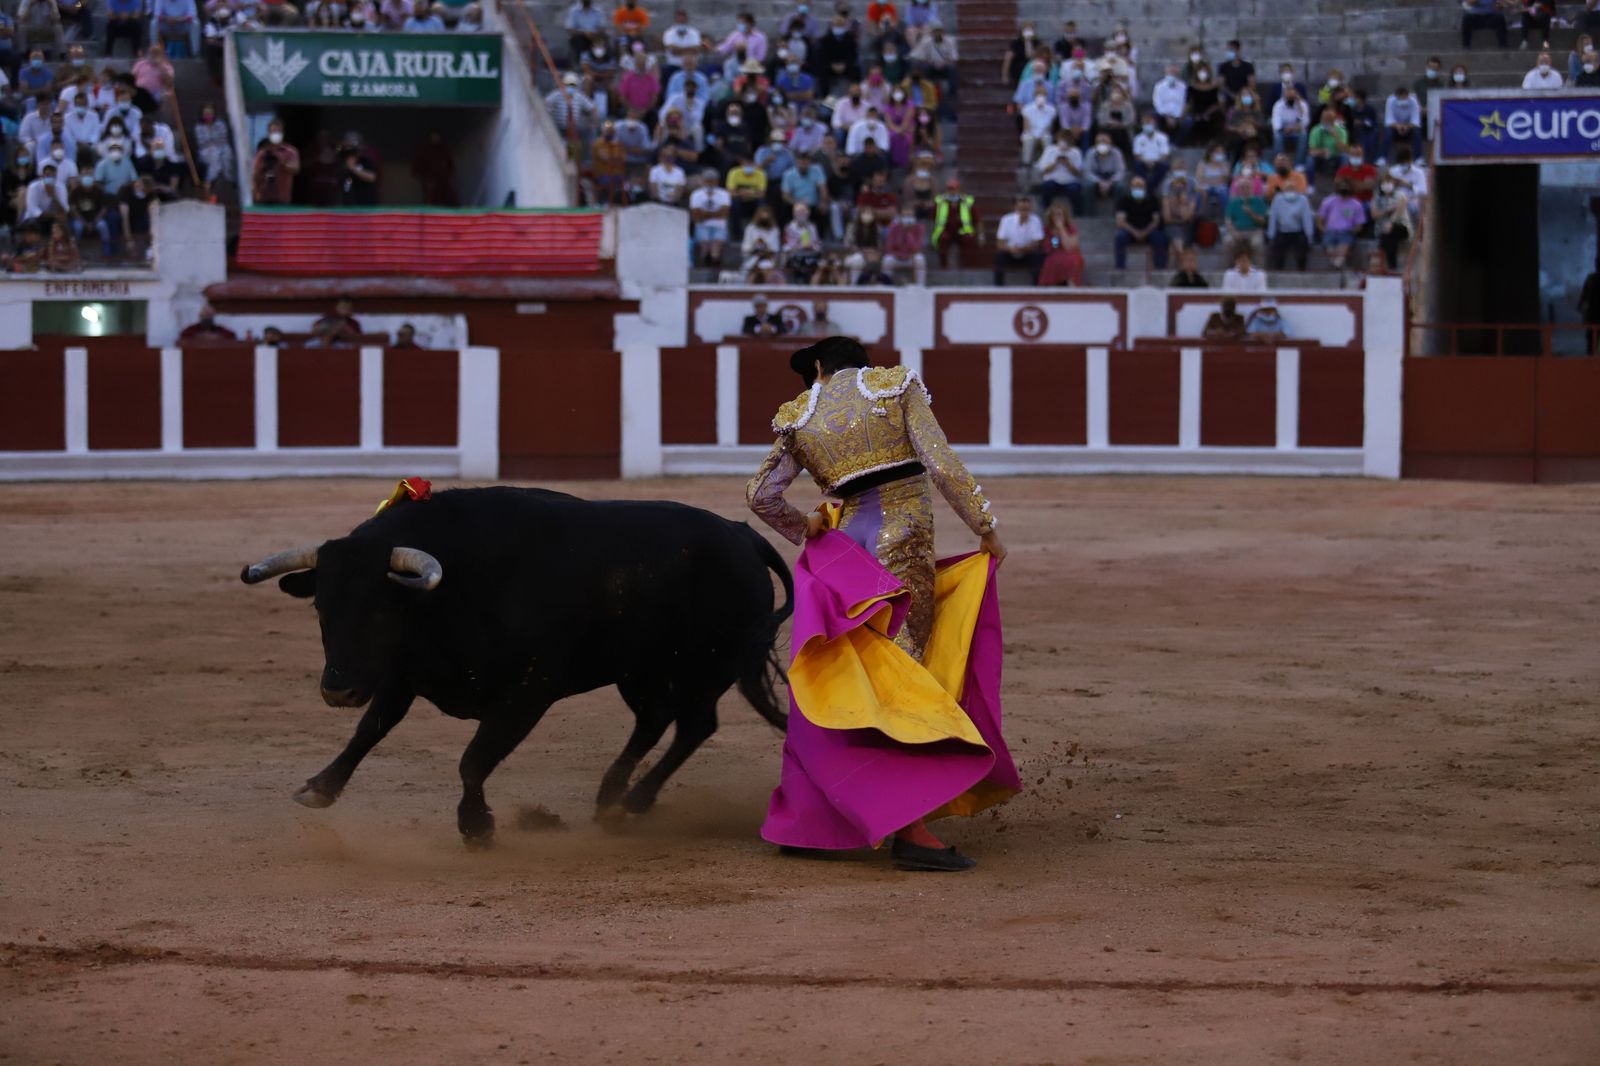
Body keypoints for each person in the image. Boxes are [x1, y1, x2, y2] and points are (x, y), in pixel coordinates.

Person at [746, 336, 1017, 872]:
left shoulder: (800, 415)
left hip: (846, 556)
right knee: (901, 677)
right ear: (862, 363)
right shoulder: (895, 387)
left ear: (819, 366)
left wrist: (805, 526)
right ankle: (911, 831)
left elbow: (761, 495)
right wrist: (985, 527)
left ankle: (812, 821)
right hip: (902, 543)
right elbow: (941, 465)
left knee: (848, 677)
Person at [1113, 176, 1168, 271]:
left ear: (1145, 188)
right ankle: (1120, 267)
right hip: (1130, 231)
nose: (1138, 188)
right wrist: (1135, 232)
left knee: (1160, 238)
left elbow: (1156, 221)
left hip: (1148, 230)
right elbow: (1120, 222)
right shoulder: (1123, 200)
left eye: (1140, 186)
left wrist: (1144, 232)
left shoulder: (1152, 200)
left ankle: (1160, 268)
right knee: (1120, 237)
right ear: (1130, 187)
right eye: (1135, 186)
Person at [992, 195, 1043, 285]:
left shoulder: (1036, 220)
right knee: (999, 256)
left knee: (1037, 257)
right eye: (1021, 209)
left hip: (1028, 252)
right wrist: (1010, 249)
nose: (1024, 212)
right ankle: (998, 287)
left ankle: (1036, 287)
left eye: (1026, 209)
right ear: (1016, 208)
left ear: (1031, 209)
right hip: (1010, 252)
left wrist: (1025, 248)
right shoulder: (1006, 219)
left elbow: (1038, 242)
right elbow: (1000, 242)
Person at [1316, 180, 1366, 271]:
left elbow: (1359, 225)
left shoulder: (1357, 205)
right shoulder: (1328, 202)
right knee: (1331, 253)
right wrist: (1324, 230)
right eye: (1342, 186)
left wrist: (1352, 231)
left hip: (1346, 232)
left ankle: (1337, 267)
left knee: (1341, 254)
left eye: (1346, 186)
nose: (1344, 188)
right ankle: (1335, 268)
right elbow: (1319, 220)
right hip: (1330, 232)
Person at [931, 177, 979, 268]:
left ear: (959, 189)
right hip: (946, 230)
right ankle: (944, 266)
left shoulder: (967, 201)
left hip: (962, 230)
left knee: (968, 239)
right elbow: (933, 217)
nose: (953, 191)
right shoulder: (940, 201)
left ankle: (965, 266)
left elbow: (977, 218)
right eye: (950, 189)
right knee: (943, 239)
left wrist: (980, 234)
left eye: (955, 189)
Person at [1265, 182, 1314, 272]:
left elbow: (1307, 218)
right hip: (1282, 231)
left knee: (1302, 247)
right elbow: (1273, 218)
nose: (1290, 191)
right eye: (1288, 189)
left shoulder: (1303, 199)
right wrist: (1271, 235)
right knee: (1277, 249)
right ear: (1284, 190)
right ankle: (1279, 271)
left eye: (1292, 189)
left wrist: (1309, 236)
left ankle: (1301, 270)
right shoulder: (1278, 199)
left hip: (1298, 231)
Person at [689, 168, 731, 266]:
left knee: (717, 244)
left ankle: (715, 260)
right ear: (703, 180)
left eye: (713, 180)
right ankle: (706, 259)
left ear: (717, 181)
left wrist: (705, 213)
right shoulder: (696, 194)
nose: (710, 182)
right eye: (708, 180)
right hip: (702, 225)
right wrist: (715, 213)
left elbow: (725, 212)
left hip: (719, 225)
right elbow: (696, 215)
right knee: (705, 243)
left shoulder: (724, 194)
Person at [251, 119, 298, 204]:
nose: (276, 134)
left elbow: (296, 169)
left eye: (278, 131)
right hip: (263, 197)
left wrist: (282, 162)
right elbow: (255, 175)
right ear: (269, 134)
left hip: (282, 198)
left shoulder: (290, 152)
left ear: (283, 133)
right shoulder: (262, 153)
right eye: (273, 131)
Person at [1370, 176, 1411, 269]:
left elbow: (1398, 211)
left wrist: (1390, 222)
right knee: (1390, 237)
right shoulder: (1376, 197)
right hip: (1381, 228)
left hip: (1400, 225)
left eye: (1389, 183)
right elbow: (1374, 215)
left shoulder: (1401, 195)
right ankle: (1391, 265)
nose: (1387, 185)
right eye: (1384, 183)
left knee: (1390, 232)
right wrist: (1389, 210)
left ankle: (1382, 261)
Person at [1038, 203, 1083, 287]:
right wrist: (1055, 236)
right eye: (1054, 215)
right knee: (1052, 261)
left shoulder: (1071, 228)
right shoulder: (1046, 229)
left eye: (1059, 214)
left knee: (1071, 261)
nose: (1057, 217)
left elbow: (1069, 247)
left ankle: (1072, 286)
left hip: (1071, 254)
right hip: (1055, 254)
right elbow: (1054, 247)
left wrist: (1061, 230)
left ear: (1064, 216)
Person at [1082, 132, 1125, 216]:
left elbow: (1120, 171)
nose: (1102, 144)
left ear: (1111, 144)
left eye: (1105, 142)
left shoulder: (1116, 152)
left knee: (1120, 187)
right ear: (1095, 144)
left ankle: (1118, 214)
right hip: (1096, 179)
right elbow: (1087, 172)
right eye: (1100, 142)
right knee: (1088, 186)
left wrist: (1110, 182)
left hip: (1111, 179)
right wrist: (1099, 182)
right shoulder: (1090, 153)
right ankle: (1089, 215)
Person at [882, 208, 927, 285]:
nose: (908, 218)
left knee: (920, 259)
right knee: (887, 260)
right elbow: (889, 247)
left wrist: (909, 234)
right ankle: (886, 285)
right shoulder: (893, 227)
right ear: (900, 217)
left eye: (910, 216)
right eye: (905, 216)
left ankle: (920, 285)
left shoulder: (919, 228)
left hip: (911, 257)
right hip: (897, 257)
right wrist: (901, 255)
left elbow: (917, 248)